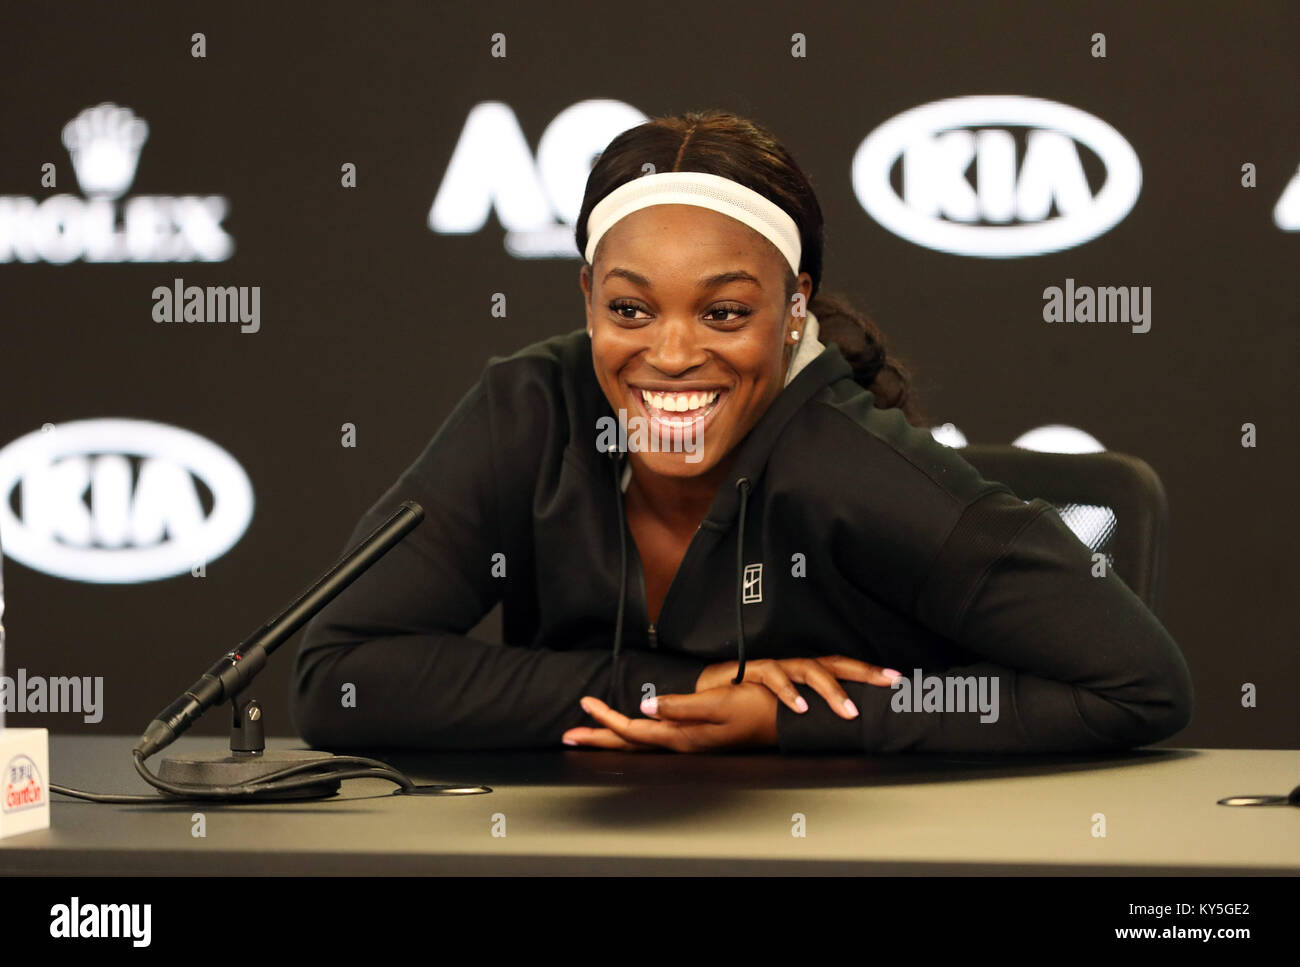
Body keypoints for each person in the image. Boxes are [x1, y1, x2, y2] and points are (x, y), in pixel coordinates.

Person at [289, 109, 1193, 754]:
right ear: (589, 302)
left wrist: (793, 719)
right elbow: (338, 678)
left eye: (724, 312)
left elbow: (1138, 683)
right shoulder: (531, 409)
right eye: (631, 308)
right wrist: (671, 689)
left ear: (794, 309)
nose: (671, 354)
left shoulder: (857, 465)